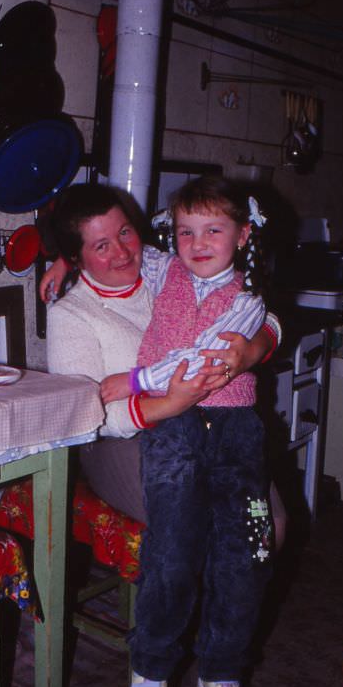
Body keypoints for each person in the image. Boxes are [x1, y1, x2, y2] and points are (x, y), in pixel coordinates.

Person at [99, 175, 275, 687]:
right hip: (173, 429)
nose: (197, 243)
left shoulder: (250, 303)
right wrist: (61, 260)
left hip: (235, 431)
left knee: (247, 552)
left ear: (243, 235)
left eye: (213, 230)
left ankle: (222, 671)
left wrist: (131, 381)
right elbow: (121, 256)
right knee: (171, 550)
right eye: (185, 231)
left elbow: (196, 363)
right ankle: (150, 667)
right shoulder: (166, 268)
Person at [42, 183, 284, 529]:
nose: (123, 252)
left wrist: (254, 348)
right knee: (200, 520)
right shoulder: (70, 314)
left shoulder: (170, 271)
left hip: (209, 423)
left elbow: (256, 309)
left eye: (125, 232)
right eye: (101, 246)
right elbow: (87, 415)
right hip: (123, 438)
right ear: (78, 258)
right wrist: (171, 404)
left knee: (269, 523)